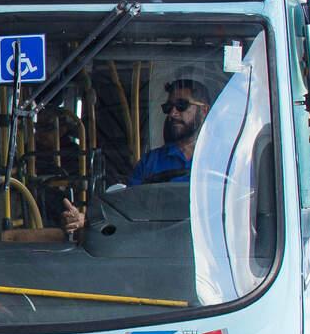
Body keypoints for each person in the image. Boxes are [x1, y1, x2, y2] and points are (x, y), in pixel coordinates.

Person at [61, 75, 212, 232]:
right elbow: (127, 210)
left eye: (181, 105)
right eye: (168, 107)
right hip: (158, 247)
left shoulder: (223, 160)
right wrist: (85, 221)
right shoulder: (150, 161)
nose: (172, 113)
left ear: (204, 110)